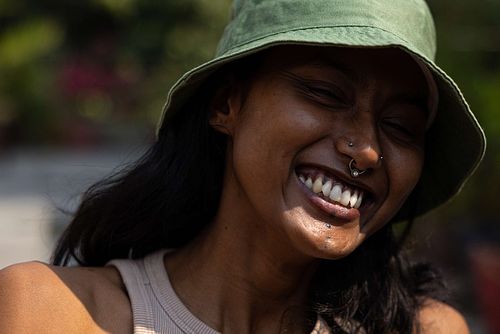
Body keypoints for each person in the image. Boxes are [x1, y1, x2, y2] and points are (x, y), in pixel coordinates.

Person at [0, 0, 486, 333]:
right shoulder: (59, 312)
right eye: (325, 94)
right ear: (228, 104)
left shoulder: (423, 328)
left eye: (400, 126)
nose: (367, 149)